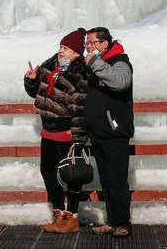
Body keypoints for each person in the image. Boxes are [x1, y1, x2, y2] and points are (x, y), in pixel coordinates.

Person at [24, 28, 91, 234]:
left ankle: (72, 217)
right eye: (61, 46)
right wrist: (31, 80)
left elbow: (80, 108)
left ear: (76, 53)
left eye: (67, 48)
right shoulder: (50, 65)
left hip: (67, 130)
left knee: (71, 174)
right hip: (48, 129)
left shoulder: (80, 73)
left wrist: (78, 139)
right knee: (48, 172)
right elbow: (35, 93)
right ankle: (59, 213)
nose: (61, 50)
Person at [83, 27, 134, 238]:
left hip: (115, 132)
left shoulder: (119, 61)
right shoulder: (98, 64)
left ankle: (123, 223)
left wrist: (95, 63)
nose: (87, 47)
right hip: (99, 133)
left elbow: (121, 83)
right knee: (106, 181)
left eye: (91, 42)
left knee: (117, 181)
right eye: (86, 43)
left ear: (104, 44)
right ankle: (113, 221)